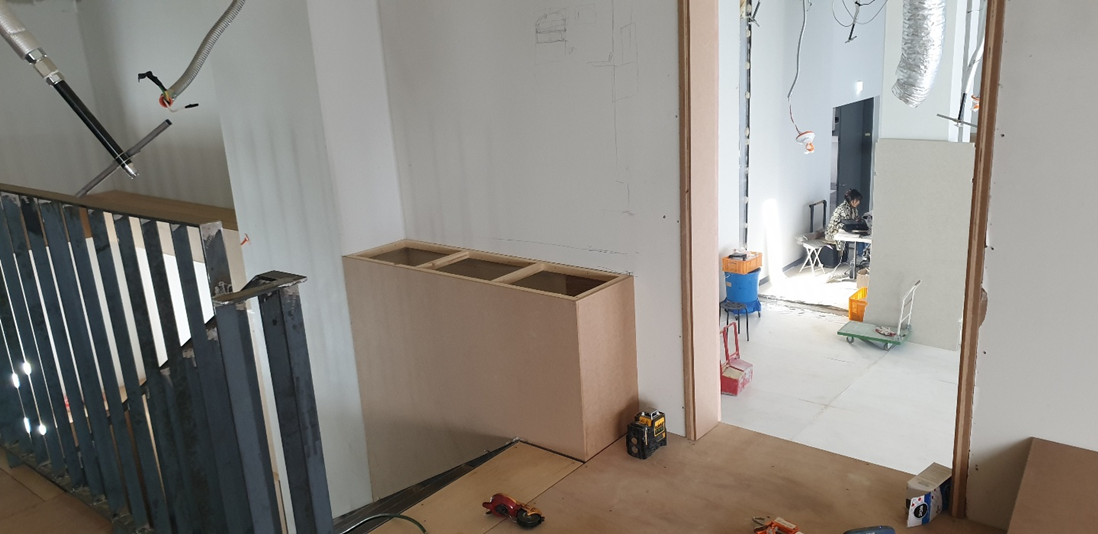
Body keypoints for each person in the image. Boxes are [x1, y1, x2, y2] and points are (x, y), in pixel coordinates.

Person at [825, 189, 864, 263]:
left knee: (862, 237)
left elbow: (853, 220)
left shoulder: (853, 208)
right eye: (857, 200)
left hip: (843, 230)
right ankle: (860, 257)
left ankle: (861, 256)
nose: (859, 202)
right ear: (852, 200)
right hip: (833, 232)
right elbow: (846, 224)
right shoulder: (843, 209)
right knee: (860, 238)